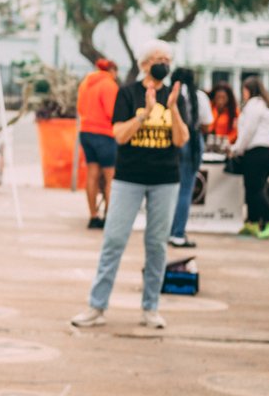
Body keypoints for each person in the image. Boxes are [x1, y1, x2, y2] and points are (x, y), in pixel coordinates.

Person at [71, 39, 188, 331]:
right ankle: (97, 306)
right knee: (113, 240)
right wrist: (145, 113)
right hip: (129, 177)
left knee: (157, 245)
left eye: (167, 59)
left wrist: (172, 110)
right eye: (158, 59)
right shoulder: (127, 93)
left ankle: (151, 308)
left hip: (165, 179)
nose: (164, 64)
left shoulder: (175, 96)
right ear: (144, 64)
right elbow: (120, 135)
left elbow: (180, 139)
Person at [229, 76, 269, 239]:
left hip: (259, 151)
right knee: (254, 187)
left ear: (248, 90)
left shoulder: (254, 105)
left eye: (244, 90)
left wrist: (237, 149)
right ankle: (252, 221)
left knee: (254, 189)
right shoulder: (268, 106)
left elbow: (248, 130)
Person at [168, 67, 211, 248]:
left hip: (170, 141)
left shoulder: (168, 95)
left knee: (167, 190)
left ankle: (165, 231)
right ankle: (178, 233)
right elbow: (207, 124)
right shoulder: (200, 97)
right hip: (192, 143)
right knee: (185, 190)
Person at [76, 59, 120, 229]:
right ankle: (109, 217)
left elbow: (80, 108)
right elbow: (112, 112)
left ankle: (93, 216)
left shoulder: (86, 83)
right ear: (112, 70)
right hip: (105, 133)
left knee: (92, 174)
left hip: (86, 132)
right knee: (110, 177)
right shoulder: (109, 85)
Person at [208, 83, 238, 149]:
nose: (220, 101)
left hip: (226, 146)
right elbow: (208, 127)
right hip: (209, 144)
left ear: (229, 98)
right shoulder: (209, 107)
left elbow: (235, 132)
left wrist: (225, 142)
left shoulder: (234, 111)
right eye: (218, 97)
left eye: (223, 98)